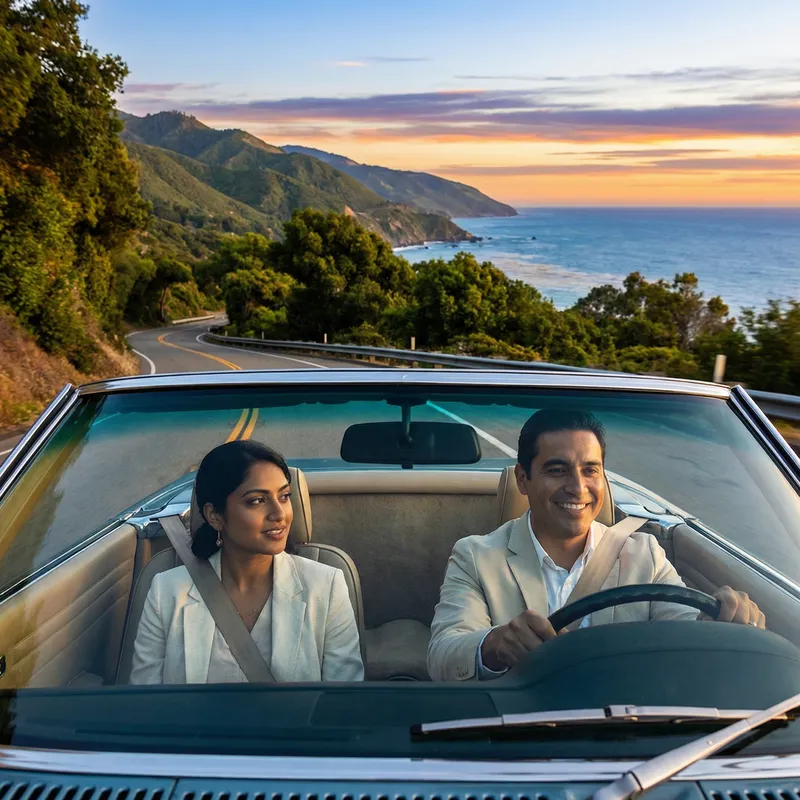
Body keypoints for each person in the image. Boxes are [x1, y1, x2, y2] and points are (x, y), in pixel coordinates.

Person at [427, 409, 766, 682]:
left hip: (621, 731)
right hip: (517, 729)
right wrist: (495, 645)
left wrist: (720, 625)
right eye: (557, 470)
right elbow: (443, 655)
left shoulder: (643, 554)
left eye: (591, 470)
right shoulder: (476, 555)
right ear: (522, 479)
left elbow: (683, 627)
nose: (578, 487)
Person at [130, 440, 364, 684]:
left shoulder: (326, 587)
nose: (279, 513)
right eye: (257, 501)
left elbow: (342, 703)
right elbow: (146, 704)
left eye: (284, 496)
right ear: (214, 516)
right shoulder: (166, 591)